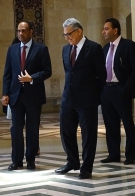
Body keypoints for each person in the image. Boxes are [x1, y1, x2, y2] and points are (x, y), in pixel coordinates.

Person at [55, 18, 106, 179]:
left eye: (69, 34)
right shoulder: (65, 49)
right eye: (65, 35)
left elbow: (102, 76)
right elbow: (69, 73)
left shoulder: (94, 48)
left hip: (87, 100)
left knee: (88, 135)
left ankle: (86, 167)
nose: (67, 38)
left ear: (79, 31)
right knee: (66, 132)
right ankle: (72, 161)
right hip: (68, 99)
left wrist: (94, 96)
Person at [1, 21, 52, 171]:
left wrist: (32, 78)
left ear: (31, 32)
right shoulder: (12, 49)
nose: (20, 34)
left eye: (24, 31)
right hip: (15, 96)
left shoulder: (41, 49)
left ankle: (30, 159)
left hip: (33, 96)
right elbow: (7, 74)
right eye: (18, 31)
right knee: (16, 129)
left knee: (32, 129)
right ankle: (16, 160)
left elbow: (47, 71)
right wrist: (5, 94)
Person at [100, 18, 135, 165]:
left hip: (121, 90)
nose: (103, 32)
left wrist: (126, 89)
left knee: (127, 123)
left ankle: (131, 155)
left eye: (106, 29)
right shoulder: (105, 48)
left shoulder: (129, 46)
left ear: (115, 30)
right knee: (110, 124)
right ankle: (113, 154)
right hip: (107, 90)